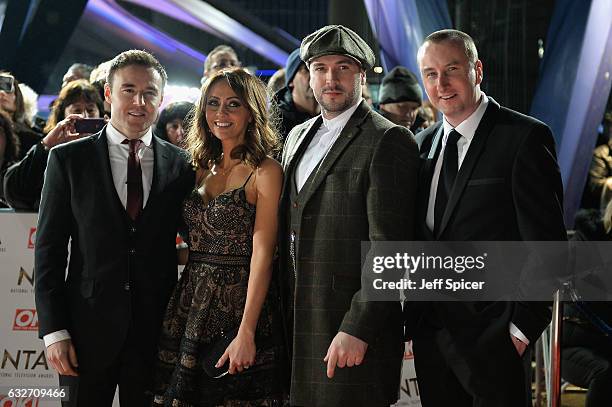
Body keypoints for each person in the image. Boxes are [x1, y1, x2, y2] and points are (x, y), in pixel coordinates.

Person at [410, 29, 566, 406]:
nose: (441, 83)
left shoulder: (523, 137)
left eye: (452, 69)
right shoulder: (421, 144)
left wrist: (520, 330)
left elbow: (548, 247)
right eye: (430, 74)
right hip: (430, 339)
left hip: (494, 339)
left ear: (477, 70)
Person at [34, 50, 194, 406]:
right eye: (128, 90)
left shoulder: (182, 165)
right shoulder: (68, 160)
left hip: (156, 335)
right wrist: (53, 330)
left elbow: (197, 240)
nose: (139, 102)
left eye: (150, 92)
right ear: (108, 94)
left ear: (161, 98)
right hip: (84, 332)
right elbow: (49, 251)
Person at [279, 25, 419, 406]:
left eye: (343, 67)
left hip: (351, 330)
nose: (330, 78)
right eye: (320, 68)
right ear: (307, 75)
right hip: (297, 327)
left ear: (361, 75)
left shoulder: (388, 138)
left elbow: (391, 249)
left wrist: (359, 326)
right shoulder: (296, 136)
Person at [151, 68, 286, 406]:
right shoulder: (198, 166)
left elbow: (263, 254)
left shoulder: (265, 171)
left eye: (233, 104)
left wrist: (247, 331)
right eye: (213, 104)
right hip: (189, 306)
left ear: (252, 111)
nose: (220, 114)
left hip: (240, 307)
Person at [4, 79, 105, 210]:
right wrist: (46, 145)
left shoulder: (110, 148)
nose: (84, 116)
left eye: (91, 110)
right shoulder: (50, 151)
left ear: (100, 113)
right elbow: (15, 193)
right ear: (63, 116)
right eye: (77, 110)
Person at [271, 48, 319, 144]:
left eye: (319, 68)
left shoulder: (336, 115)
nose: (314, 75)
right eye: (306, 69)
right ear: (291, 81)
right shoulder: (274, 122)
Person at [377, 66, 423, 132]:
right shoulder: (368, 137)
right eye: (403, 107)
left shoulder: (425, 138)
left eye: (414, 108)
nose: (410, 114)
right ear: (382, 107)